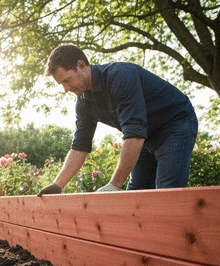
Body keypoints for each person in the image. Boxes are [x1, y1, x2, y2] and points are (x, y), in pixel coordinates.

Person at [37, 44, 198, 195]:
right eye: (61, 84)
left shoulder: (121, 76)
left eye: (66, 80)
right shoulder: (83, 102)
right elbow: (80, 145)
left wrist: (114, 185)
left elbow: (134, 133)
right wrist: (57, 185)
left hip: (175, 124)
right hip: (146, 135)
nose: (66, 89)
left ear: (81, 66)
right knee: (135, 193)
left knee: (167, 193)